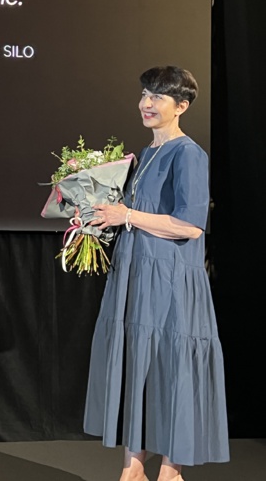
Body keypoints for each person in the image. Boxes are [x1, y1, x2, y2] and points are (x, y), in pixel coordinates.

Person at [85, 66, 229, 481]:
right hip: (136, 275)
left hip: (170, 281)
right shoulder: (146, 154)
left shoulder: (188, 154)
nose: (146, 103)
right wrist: (103, 218)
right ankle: (132, 467)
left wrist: (126, 214)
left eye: (157, 97)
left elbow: (190, 225)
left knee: (171, 364)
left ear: (181, 107)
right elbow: (138, 217)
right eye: (145, 94)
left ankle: (171, 469)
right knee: (139, 361)